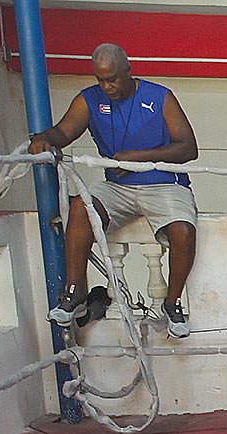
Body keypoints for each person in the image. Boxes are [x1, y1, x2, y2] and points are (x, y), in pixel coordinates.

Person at [28, 43, 199, 339]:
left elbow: (188, 148)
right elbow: (64, 132)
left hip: (164, 184)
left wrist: (136, 158)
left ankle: (172, 303)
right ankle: (75, 292)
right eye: (100, 80)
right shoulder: (89, 100)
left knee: (183, 231)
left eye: (113, 79)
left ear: (128, 71)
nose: (107, 86)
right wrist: (44, 138)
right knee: (82, 206)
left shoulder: (160, 97)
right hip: (117, 187)